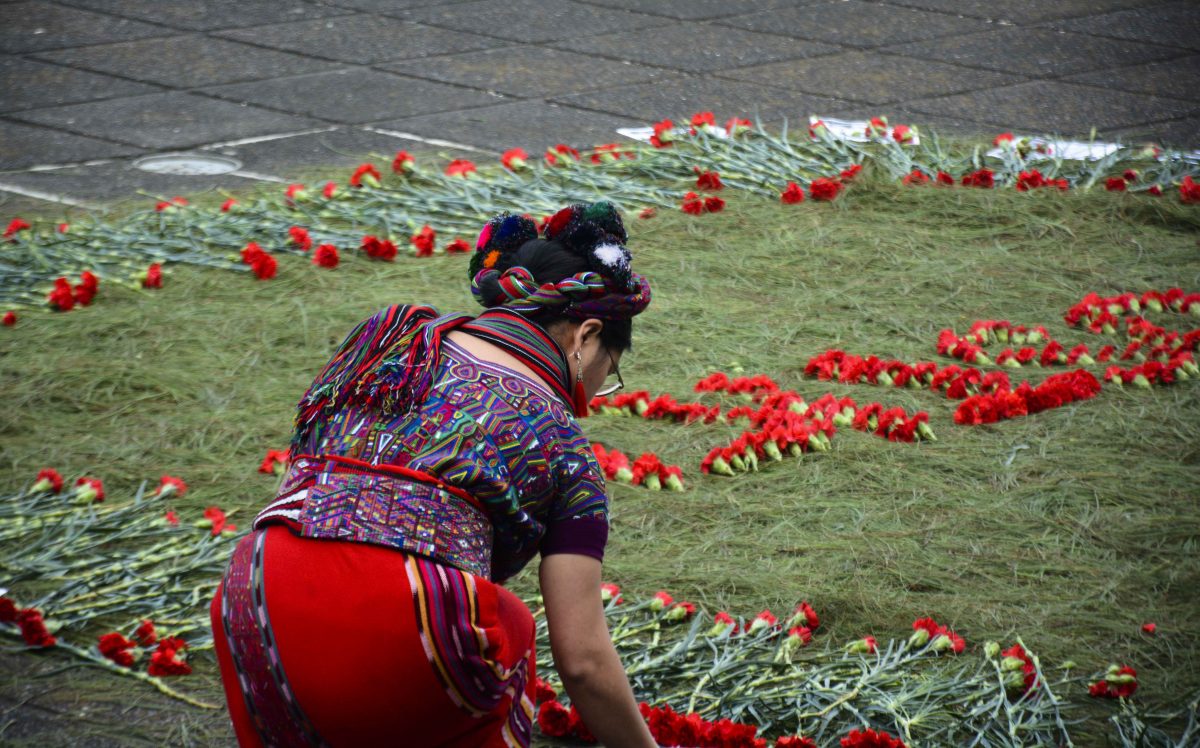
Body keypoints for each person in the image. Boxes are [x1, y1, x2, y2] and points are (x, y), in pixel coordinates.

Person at [210, 202, 658, 747]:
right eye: (606, 372)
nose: (592, 392)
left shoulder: (390, 344)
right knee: (505, 627)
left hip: (252, 594)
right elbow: (583, 661)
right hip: (405, 625)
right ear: (585, 336)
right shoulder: (565, 446)